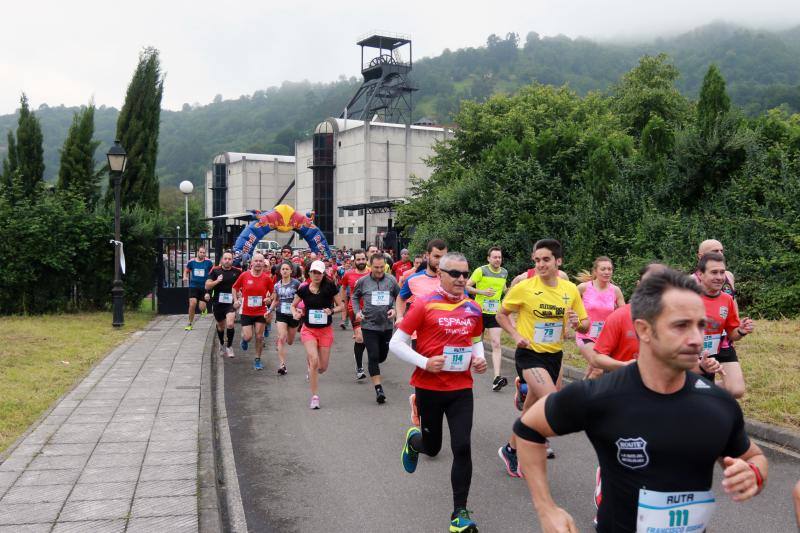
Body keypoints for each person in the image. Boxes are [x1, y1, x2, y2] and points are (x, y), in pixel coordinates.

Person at [514, 268, 768, 533]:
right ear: (644, 330)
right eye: (681, 325)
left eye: (700, 325)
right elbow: (528, 428)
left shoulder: (717, 403)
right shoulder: (601, 395)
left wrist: (754, 473)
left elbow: (755, 457)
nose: (696, 339)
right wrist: (546, 508)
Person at [390, 252, 487, 533]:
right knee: (433, 448)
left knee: (463, 447)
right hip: (429, 388)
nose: (461, 279)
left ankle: (459, 514)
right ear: (441, 274)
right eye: (454, 274)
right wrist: (425, 363)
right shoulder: (424, 304)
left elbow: (475, 340)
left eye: (465, 274)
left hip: (461, 389)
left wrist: (479, 359)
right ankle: (415, 440)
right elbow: (397, 344)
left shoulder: (473, 308)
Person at [495, 239, 588, 469]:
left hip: (554, 355)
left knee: (530, 411)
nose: (540, 264)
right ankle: (535, 445)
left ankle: (511, 449)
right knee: (551, 400)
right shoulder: (525, 287)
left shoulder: (570, 289)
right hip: (529, 354)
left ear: (558, 261)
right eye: (537, 260)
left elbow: (585, 324)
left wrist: (578, 324)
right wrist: (516, 336)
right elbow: (501, 314)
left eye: (546, 259)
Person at [695, 252, 755, 398]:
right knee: (697, 396)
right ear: (700, 275)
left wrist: (741, 330)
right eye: (714, 272)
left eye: (722, 272)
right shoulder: (688, 297)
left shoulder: (727, 299)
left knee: (733, 391)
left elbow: (731, 334)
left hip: (713, 352)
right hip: (690, 355)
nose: (720, 277)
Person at [292, 260, 344, 409]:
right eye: (314, 272)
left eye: (319, 273)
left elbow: (341, 305)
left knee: (322, 367)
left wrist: (332, 311)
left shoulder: (330, 287)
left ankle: (312, 367)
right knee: (314, 361)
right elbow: (292, 305)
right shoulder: (303, 289)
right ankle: (315, 397)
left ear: (323, 274)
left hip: (325, 331)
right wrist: (295, 313)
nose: (316, 275)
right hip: (308, 330)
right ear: (309, 273)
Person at [352, 253, 400, 404]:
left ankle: (374, 366)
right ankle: (379, 389)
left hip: (386, 326)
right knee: (373, 356)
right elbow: (354, 297)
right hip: (369, 325)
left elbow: (400, 297)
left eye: (381, 267)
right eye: (376, 267)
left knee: (381, 357)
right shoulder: (363, 281)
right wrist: (357, 312)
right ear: (370, 266)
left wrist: (395, 310)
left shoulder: (391, 280)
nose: (379, 270)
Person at [466, 246, 509, 392]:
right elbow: (467, 286)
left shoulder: (504, 273)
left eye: (499, 257)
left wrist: (511, 292)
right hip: (479, 312)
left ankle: (497, 377)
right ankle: (466, 373)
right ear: (488, 258)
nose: (497, 260)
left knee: (496, 343)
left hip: (494, 313)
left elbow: (503, 290)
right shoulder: (481, 271)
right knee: (476, 343)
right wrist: (482, 291)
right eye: (495, 257)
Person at [575, 257, 625, 379]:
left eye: (609, 269)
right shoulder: (584, 287)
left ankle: (579, 394)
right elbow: (568, 303)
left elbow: (624, 313)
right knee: (598, 369)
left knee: (592, 371)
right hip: (586, 336)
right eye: (603, 269)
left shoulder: (615, 290)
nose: (607, 272)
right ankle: (583, 396)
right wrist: (574, 319)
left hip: (606, 338)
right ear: (595, 271)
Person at [232, 252, 274, 370]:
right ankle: (244, 340)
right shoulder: (244, 275)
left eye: (261, 261)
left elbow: (273, 293)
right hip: (246, 311)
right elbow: (234, 287)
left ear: (263, 264)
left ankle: (257, 360)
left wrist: (269, 299)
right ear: (251, 263)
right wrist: (235, 300)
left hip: (261, 311)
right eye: (256, 261)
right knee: (248, 336)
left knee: (259, 337)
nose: (258, 263)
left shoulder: (267, 278)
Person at [396, 239, 448, 327]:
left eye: (443, 257)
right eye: (436, 256)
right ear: (427, 255)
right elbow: (401, 298)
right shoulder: (413, 279)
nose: (440, 261)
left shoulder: (452, 279)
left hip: (444, 334)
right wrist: (400, 317)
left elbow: (464, 302)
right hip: (418, 334)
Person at [340, 250, 370, 379]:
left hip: (371, 310)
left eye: (363, 259)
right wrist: (344, 305)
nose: (361, 262)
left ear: (366, 260)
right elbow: (343, 288)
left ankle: (364, 354)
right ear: (354, 261)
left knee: (370, 337)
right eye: (358, 260)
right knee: (360, 337)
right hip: (355, 309)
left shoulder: (372, 273)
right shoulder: (348, 274)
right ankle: (359, 368)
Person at [205, 251, 241, 358]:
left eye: (229, 259)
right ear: (222, 260)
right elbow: (207, 286)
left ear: (232, 260)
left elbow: (242, 286)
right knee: (221, 326)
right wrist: (217, 281)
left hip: (230, 303)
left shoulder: (237, 271)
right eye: (225, 258)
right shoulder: (215, 270)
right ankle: (221, 344)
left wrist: (239, 297)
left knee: (230, 324)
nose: (227, 261)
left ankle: (229, 346)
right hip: (218, 303)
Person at [269, 261, 302, 375]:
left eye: (287, 269)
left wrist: (300, 309)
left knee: (290, 341)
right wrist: (269, 310)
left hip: (293, 315)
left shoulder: (297, 284)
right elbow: (276, 300)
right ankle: (282, 365)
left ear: (291, 271)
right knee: (282, 337)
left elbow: (302, 299)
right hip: (281, 314)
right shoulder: (277, 285)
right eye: (283, 269)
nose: (285, 271)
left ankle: (281, 341)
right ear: (280, 271)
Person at [183, 247, 213, 331]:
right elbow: (186, 270)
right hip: (193, 286)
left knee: (201, 307)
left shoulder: (209, 262)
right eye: (201, 252)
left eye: (204, 252)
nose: (202, 254)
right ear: (197, 252)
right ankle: (189, 323)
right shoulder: (191, 262)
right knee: (192, 304)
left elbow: (213, 272)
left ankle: (204, 309)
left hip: (204, 287)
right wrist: (185, 277)